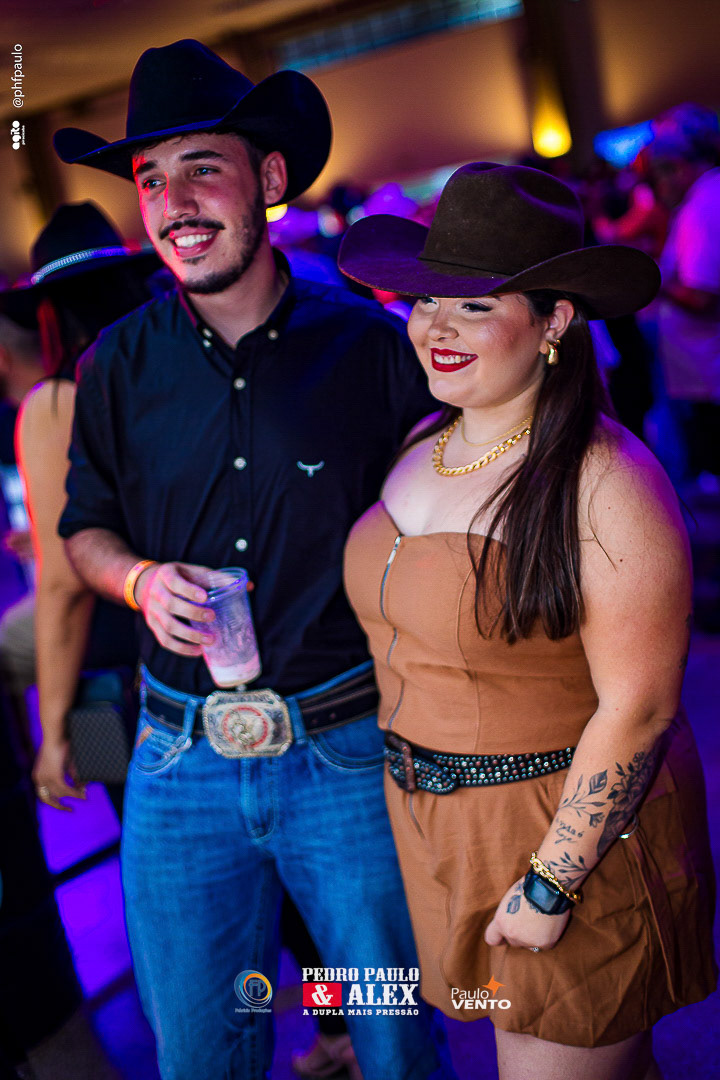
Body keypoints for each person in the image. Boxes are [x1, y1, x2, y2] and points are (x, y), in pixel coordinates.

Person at [52, 38, 453, 1080]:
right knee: (198, 1052)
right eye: (152, 180)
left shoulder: (370, 349)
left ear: (269, 178)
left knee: (396, 1043)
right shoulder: (113, 368)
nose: (174, 203)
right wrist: (137, 580)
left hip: (347, 749)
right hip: (175, 760)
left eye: (203, 169)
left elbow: (444, 532)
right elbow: (82, 533)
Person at [338, 162, 717, 1080]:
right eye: (427, 300)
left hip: (564, 837)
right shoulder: (424, 442)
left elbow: (639, 709)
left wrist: (553, 880)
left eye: (474, 305)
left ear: (554, 322)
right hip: (440, 828)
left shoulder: (608, 482)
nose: (436, 326)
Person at [1, 203, 159, 819]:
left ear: (49, 313)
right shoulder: (180, 372)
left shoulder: (54, 402)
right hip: (204, 653)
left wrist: (51, 728)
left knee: (137, 825)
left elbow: (63, 583)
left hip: (106, 674)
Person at [645, 117, 720, 489]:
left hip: (707, 369)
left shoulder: (701, 207)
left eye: (661, 173)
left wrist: (651, 280)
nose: (660, 186)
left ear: (679, 166)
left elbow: (701, 296)